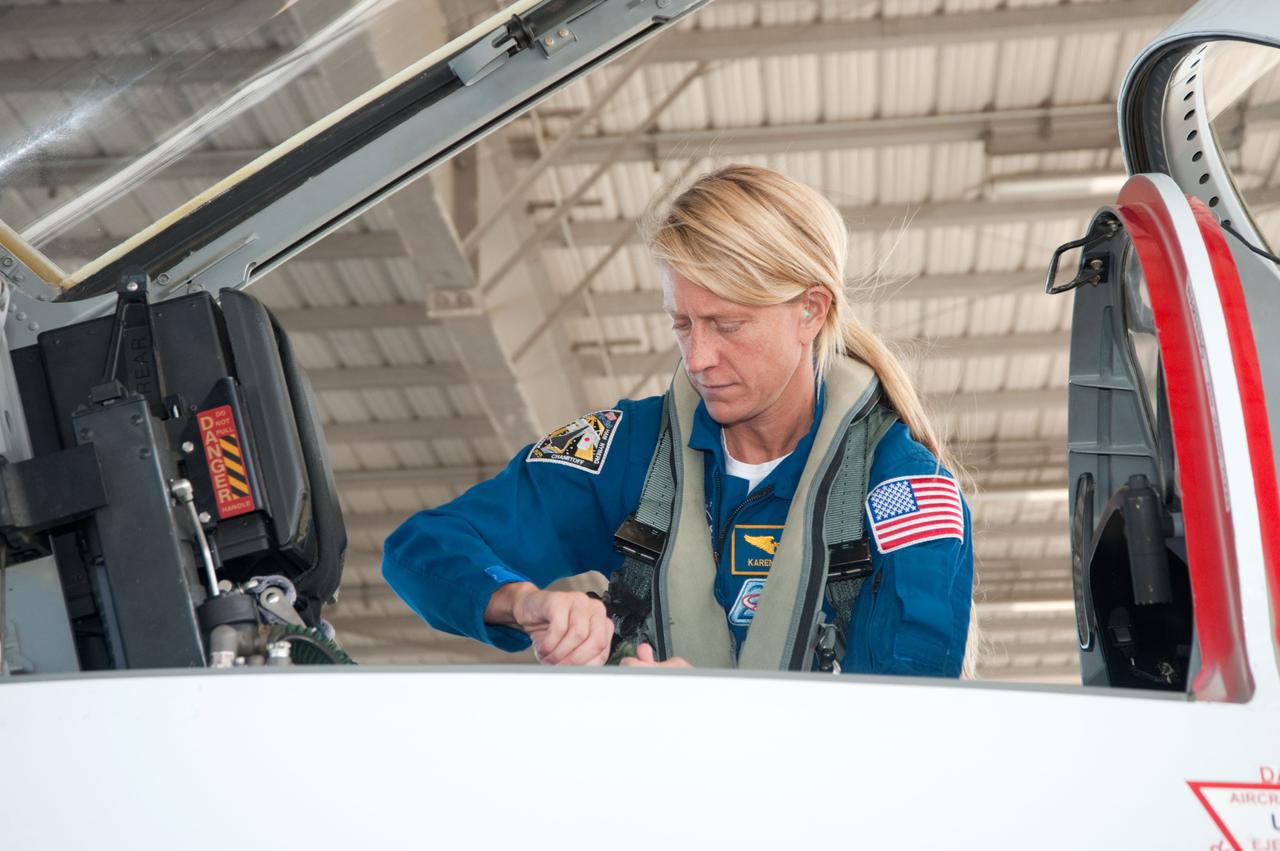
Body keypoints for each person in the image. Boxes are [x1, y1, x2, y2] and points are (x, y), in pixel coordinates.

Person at [383, 164, 974, 676]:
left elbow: (910, 707)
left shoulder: (904, 488)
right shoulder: (630, 451)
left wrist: (702, 722)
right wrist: (523, 603)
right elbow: (423, 546)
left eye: (727, 325)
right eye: (683, 324)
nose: (698, 359)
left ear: (810, 311)